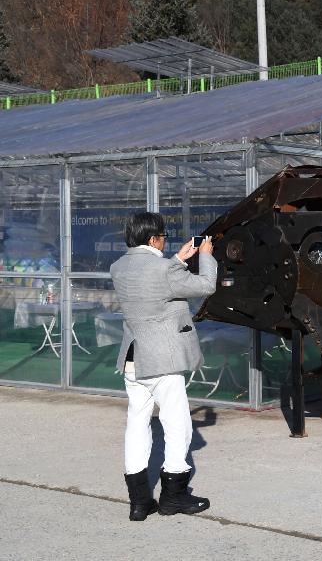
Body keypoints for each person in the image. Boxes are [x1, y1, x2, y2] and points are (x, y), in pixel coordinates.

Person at [110, 212, 217, 521]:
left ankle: (140, 503)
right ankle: (174, 497)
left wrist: (177, 259)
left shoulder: (119, 268)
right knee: (177, 425)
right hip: (162, 361)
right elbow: (206, 285)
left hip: (133, 358)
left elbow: (153, 282)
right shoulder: (163, 270)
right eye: (163, 236)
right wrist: (206, 256)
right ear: (154, 239)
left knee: (137, 425)